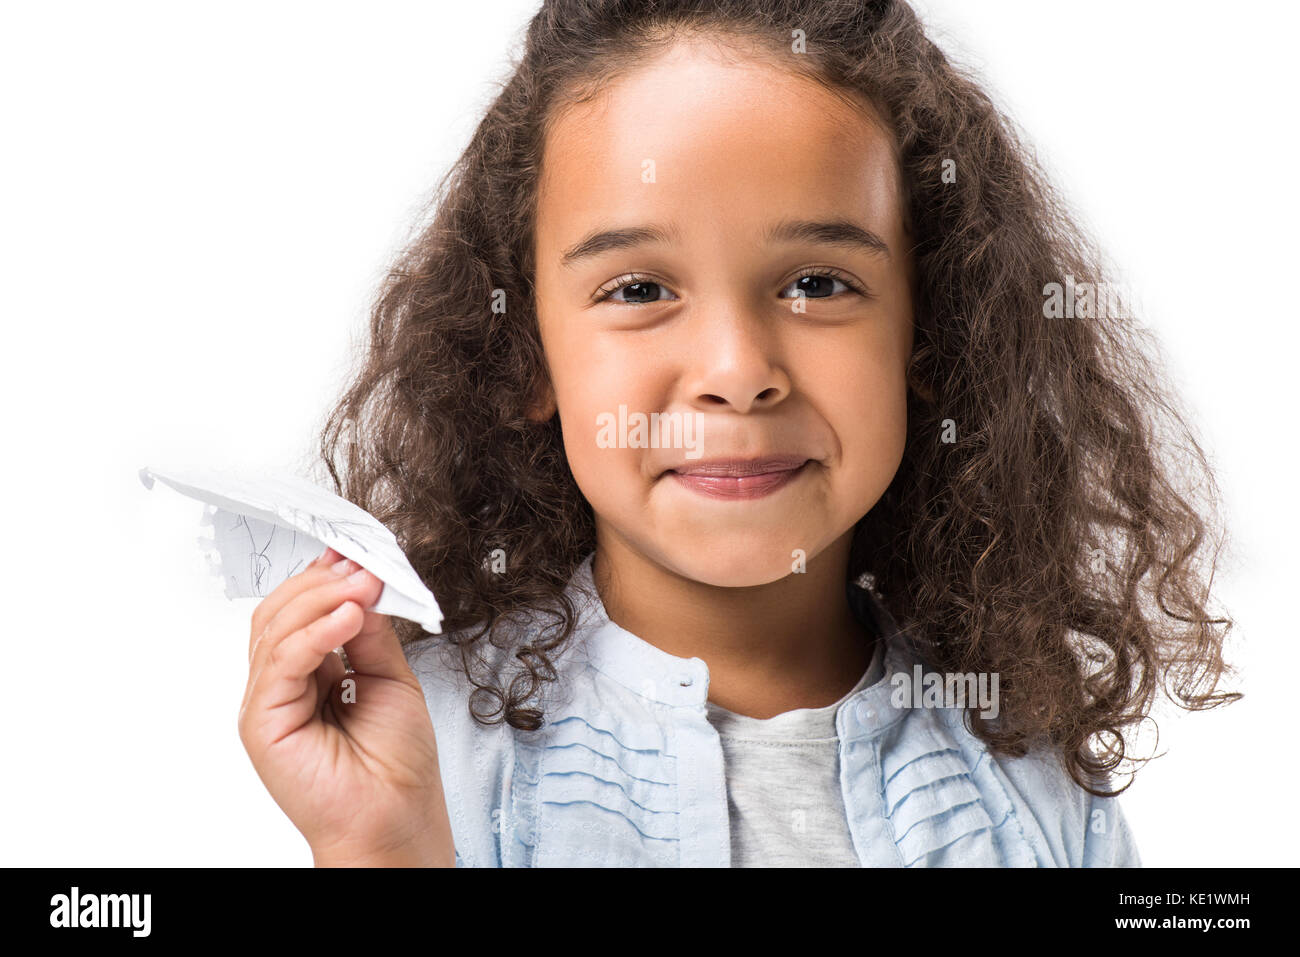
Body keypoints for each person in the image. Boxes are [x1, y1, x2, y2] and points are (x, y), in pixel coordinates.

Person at [238, 0, 1238, 867]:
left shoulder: (1030, 774)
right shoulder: (421, 752)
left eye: (817, 283)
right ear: (525, 355)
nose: (736, 372)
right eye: (637, 289)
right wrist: (375, 852)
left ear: (927, 333)